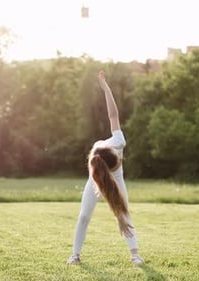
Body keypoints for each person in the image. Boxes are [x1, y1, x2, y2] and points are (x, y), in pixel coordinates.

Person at [67, 71, 144, 265]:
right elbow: (106, 190)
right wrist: (113, 206)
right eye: (118, 161)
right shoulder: (97, 169)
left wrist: (105, 87)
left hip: (116, 178)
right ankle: (75, 255)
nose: (121, 160)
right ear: (109, 167)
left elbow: (113, 115)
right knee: (84, 215)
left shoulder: (118, 141)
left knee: (124, 213)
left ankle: (135, 254)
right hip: (98, 177)